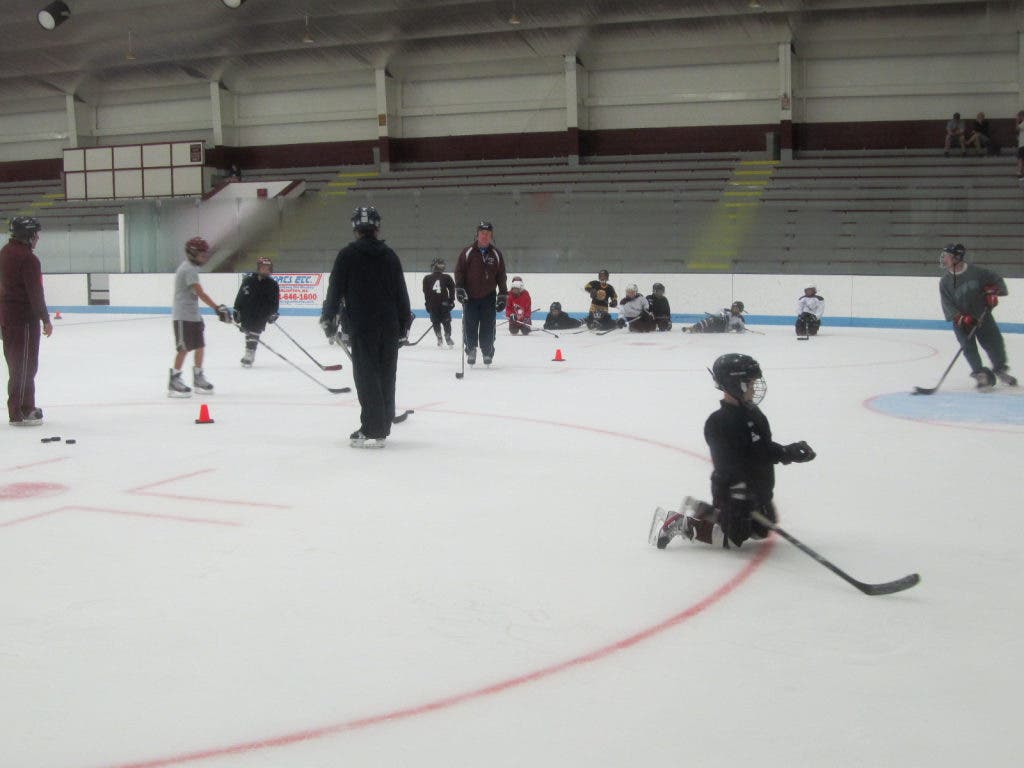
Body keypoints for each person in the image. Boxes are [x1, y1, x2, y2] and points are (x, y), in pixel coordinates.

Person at [656, 353, 816, 550]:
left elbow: (761, 449)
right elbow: (726, 467)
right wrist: (739, 498)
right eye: (750, 384)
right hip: (732, 492)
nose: (755, 388)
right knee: (733, 537)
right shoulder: (719, 423)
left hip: (758, 488)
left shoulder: (754, 414)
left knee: (761, 530)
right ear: (734, 384)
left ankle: (701, 509)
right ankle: (682, 523)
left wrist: (786, 452)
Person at [320, 206, 412, 448]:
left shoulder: (347, 255)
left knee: (366, 375)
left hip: (362, 325)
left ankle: (373, 427)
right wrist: (404, 325)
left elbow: (335, 289)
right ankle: (382, 424)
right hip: (389, 326)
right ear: (377, 227)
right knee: (386, 374)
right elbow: (401, 293)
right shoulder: (390, 255)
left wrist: (328, 317)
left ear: (355, 229)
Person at [938, 243, 1016, 390]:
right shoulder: (945, 282)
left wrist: (994, 292)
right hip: (962, 322)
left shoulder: (977, 272)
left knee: (995, 343)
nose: (944, 259)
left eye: (947, 256)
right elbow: (947, 305)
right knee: (968, 348)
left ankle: (1000, 369)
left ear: (957, 258)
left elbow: (996, 280)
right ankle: (980, 374)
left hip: (982, 316)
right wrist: (961, 318)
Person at [1, 217, 53, 426]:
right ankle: (21, 411)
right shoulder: (28, 260)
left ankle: (23, 406)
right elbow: (35, 293)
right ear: (28, 236)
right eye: (36, 234)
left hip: (7, 317)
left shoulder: (5, 252)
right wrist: (45, 319)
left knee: (16, 364)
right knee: (25, 366)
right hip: (23, 319)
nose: (38, 238)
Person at [169, 237, 235, 397]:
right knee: (183, 349)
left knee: (199, 346)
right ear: (192, 253)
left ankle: (198, 377)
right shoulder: (188, 269)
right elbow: (200, 292)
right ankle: (174, 381)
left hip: (193, 316)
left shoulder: (192, 268)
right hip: (183, 316)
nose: (204, 257)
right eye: (202, 254)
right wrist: (217, 308)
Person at [454, 221, 508, 365]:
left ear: (491, 236)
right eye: (482, 234)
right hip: (470, 297)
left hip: (488, 297)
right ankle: (471, 349)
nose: (485, 237)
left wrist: (503, 294)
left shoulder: (496, 254)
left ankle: (487, 351)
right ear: (477, 235)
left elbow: (501, 276)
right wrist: (459, 288)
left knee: (488, 326)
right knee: (470, 325)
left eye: (488, 234)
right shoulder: (468, 252)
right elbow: (459, 271)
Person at [233, 256, 280, 367]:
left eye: (267, 268)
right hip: (247, 312)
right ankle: (250, 352)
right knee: (248, 332)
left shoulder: (273, 285)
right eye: (263, 268)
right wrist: (236, 309)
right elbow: (240, 296)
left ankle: (249, 354)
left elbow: (275, 302)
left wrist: (273, 313)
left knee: (254, 332)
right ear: (258, 268)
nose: (265, 270)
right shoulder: (248, 281)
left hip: (261, 314)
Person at [422, 257, 455, 347]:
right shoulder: (447, 277)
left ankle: (438, 336)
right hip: (444, 304)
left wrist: (427, 304)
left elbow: (426, 293)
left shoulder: (427, 278)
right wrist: (451, 301)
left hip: (433, 305)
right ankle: (447, 336)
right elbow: (452, 289)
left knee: (435, 322)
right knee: (446, 322)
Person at [681, 301, 747, 333]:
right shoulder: (726, 310)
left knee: (711, 323)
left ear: (740, 309)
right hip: (719, 322)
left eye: (736, 308)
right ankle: (695, 328)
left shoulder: (740, 319)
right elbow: (718, 313)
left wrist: (737, 328)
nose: (734, 309)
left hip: (723, 329)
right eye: (733, 307)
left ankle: (696, 328)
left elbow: (742, 330)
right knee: (711, 321)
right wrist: (721, 316)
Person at [1017, 110, 1024, 177]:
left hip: (1022, 144)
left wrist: (1017, 122)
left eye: (1019, 116)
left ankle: (1019, 172)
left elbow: (1017, 128)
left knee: (1020, 158)